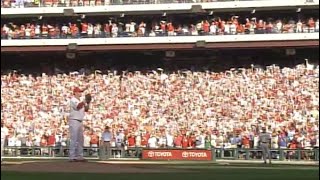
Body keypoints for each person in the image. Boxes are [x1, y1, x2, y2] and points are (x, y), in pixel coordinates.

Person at [68, 87, 89, 162]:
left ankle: (79, 156)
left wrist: (88, 103)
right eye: (79, 92)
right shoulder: (73, 100)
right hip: (74, 120)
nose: (81, 93)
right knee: (74, 139)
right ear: (75, 93)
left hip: (80, 120)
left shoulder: (80, 100)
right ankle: (72, 156)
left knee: (80, 139)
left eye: (81, 92)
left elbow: (86, 109)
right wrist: (84, 101)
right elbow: (77, 107)